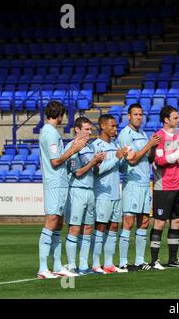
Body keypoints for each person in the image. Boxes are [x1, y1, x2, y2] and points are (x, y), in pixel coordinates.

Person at [37, 101, 87, 279]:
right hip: (54, 182)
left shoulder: (51, 132)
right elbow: (55, 161)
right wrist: (73, 149)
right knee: (52, 220)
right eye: (63, 115)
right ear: (59, 115)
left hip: (60, 182)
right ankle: (43, 268)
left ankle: (57, 266)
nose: (63, 118)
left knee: (58, 223)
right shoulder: (50, 133)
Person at [148, 106, 179, 270]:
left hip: (177, 184)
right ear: (166, 119)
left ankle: (173, 259)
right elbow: (160, 161)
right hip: (163, 186)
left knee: (176, 221)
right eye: (175, 118)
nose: (178, 120)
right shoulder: (159, 137)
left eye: (178, 117)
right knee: (159, 223)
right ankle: (154, 261)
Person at [117, 104, 161, 271]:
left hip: (144, 183)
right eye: (135, 114)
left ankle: (139, 261)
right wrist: (149, 145)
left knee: (144, 222)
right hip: (132, 184)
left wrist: (153, 148)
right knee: (128, 222)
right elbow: (132, 159)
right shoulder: (125, 135)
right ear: (129, 116)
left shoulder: (142, 134)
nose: (138, 117)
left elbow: (147, 160)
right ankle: (122, 262)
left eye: (140, 114)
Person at [91, 114, 132, 274]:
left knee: (114, 226)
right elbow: (98, 170)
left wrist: (125, 159)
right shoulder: (96, 146)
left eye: (116, 126)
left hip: (116, 192)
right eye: (112, 126)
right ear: (103, 126)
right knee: (101, 226)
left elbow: (119, 168)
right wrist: (116, 158)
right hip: (102, 194)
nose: (115, 129)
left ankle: (108, 264)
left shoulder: (115, 146)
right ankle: (95, 264)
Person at [65, 117, 106, 276]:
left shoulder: (89, 147)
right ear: (77, 129)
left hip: (90, 190)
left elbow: (93, 172)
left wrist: (97, 163)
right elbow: (78, 172)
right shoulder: (73, 147)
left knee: (88, 228)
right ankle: (71, 265)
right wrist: (93, 161)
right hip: (77, 190)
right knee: (75, 227)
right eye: (87, 129)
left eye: (90, 129)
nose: (90, 132)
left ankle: (83, 266)